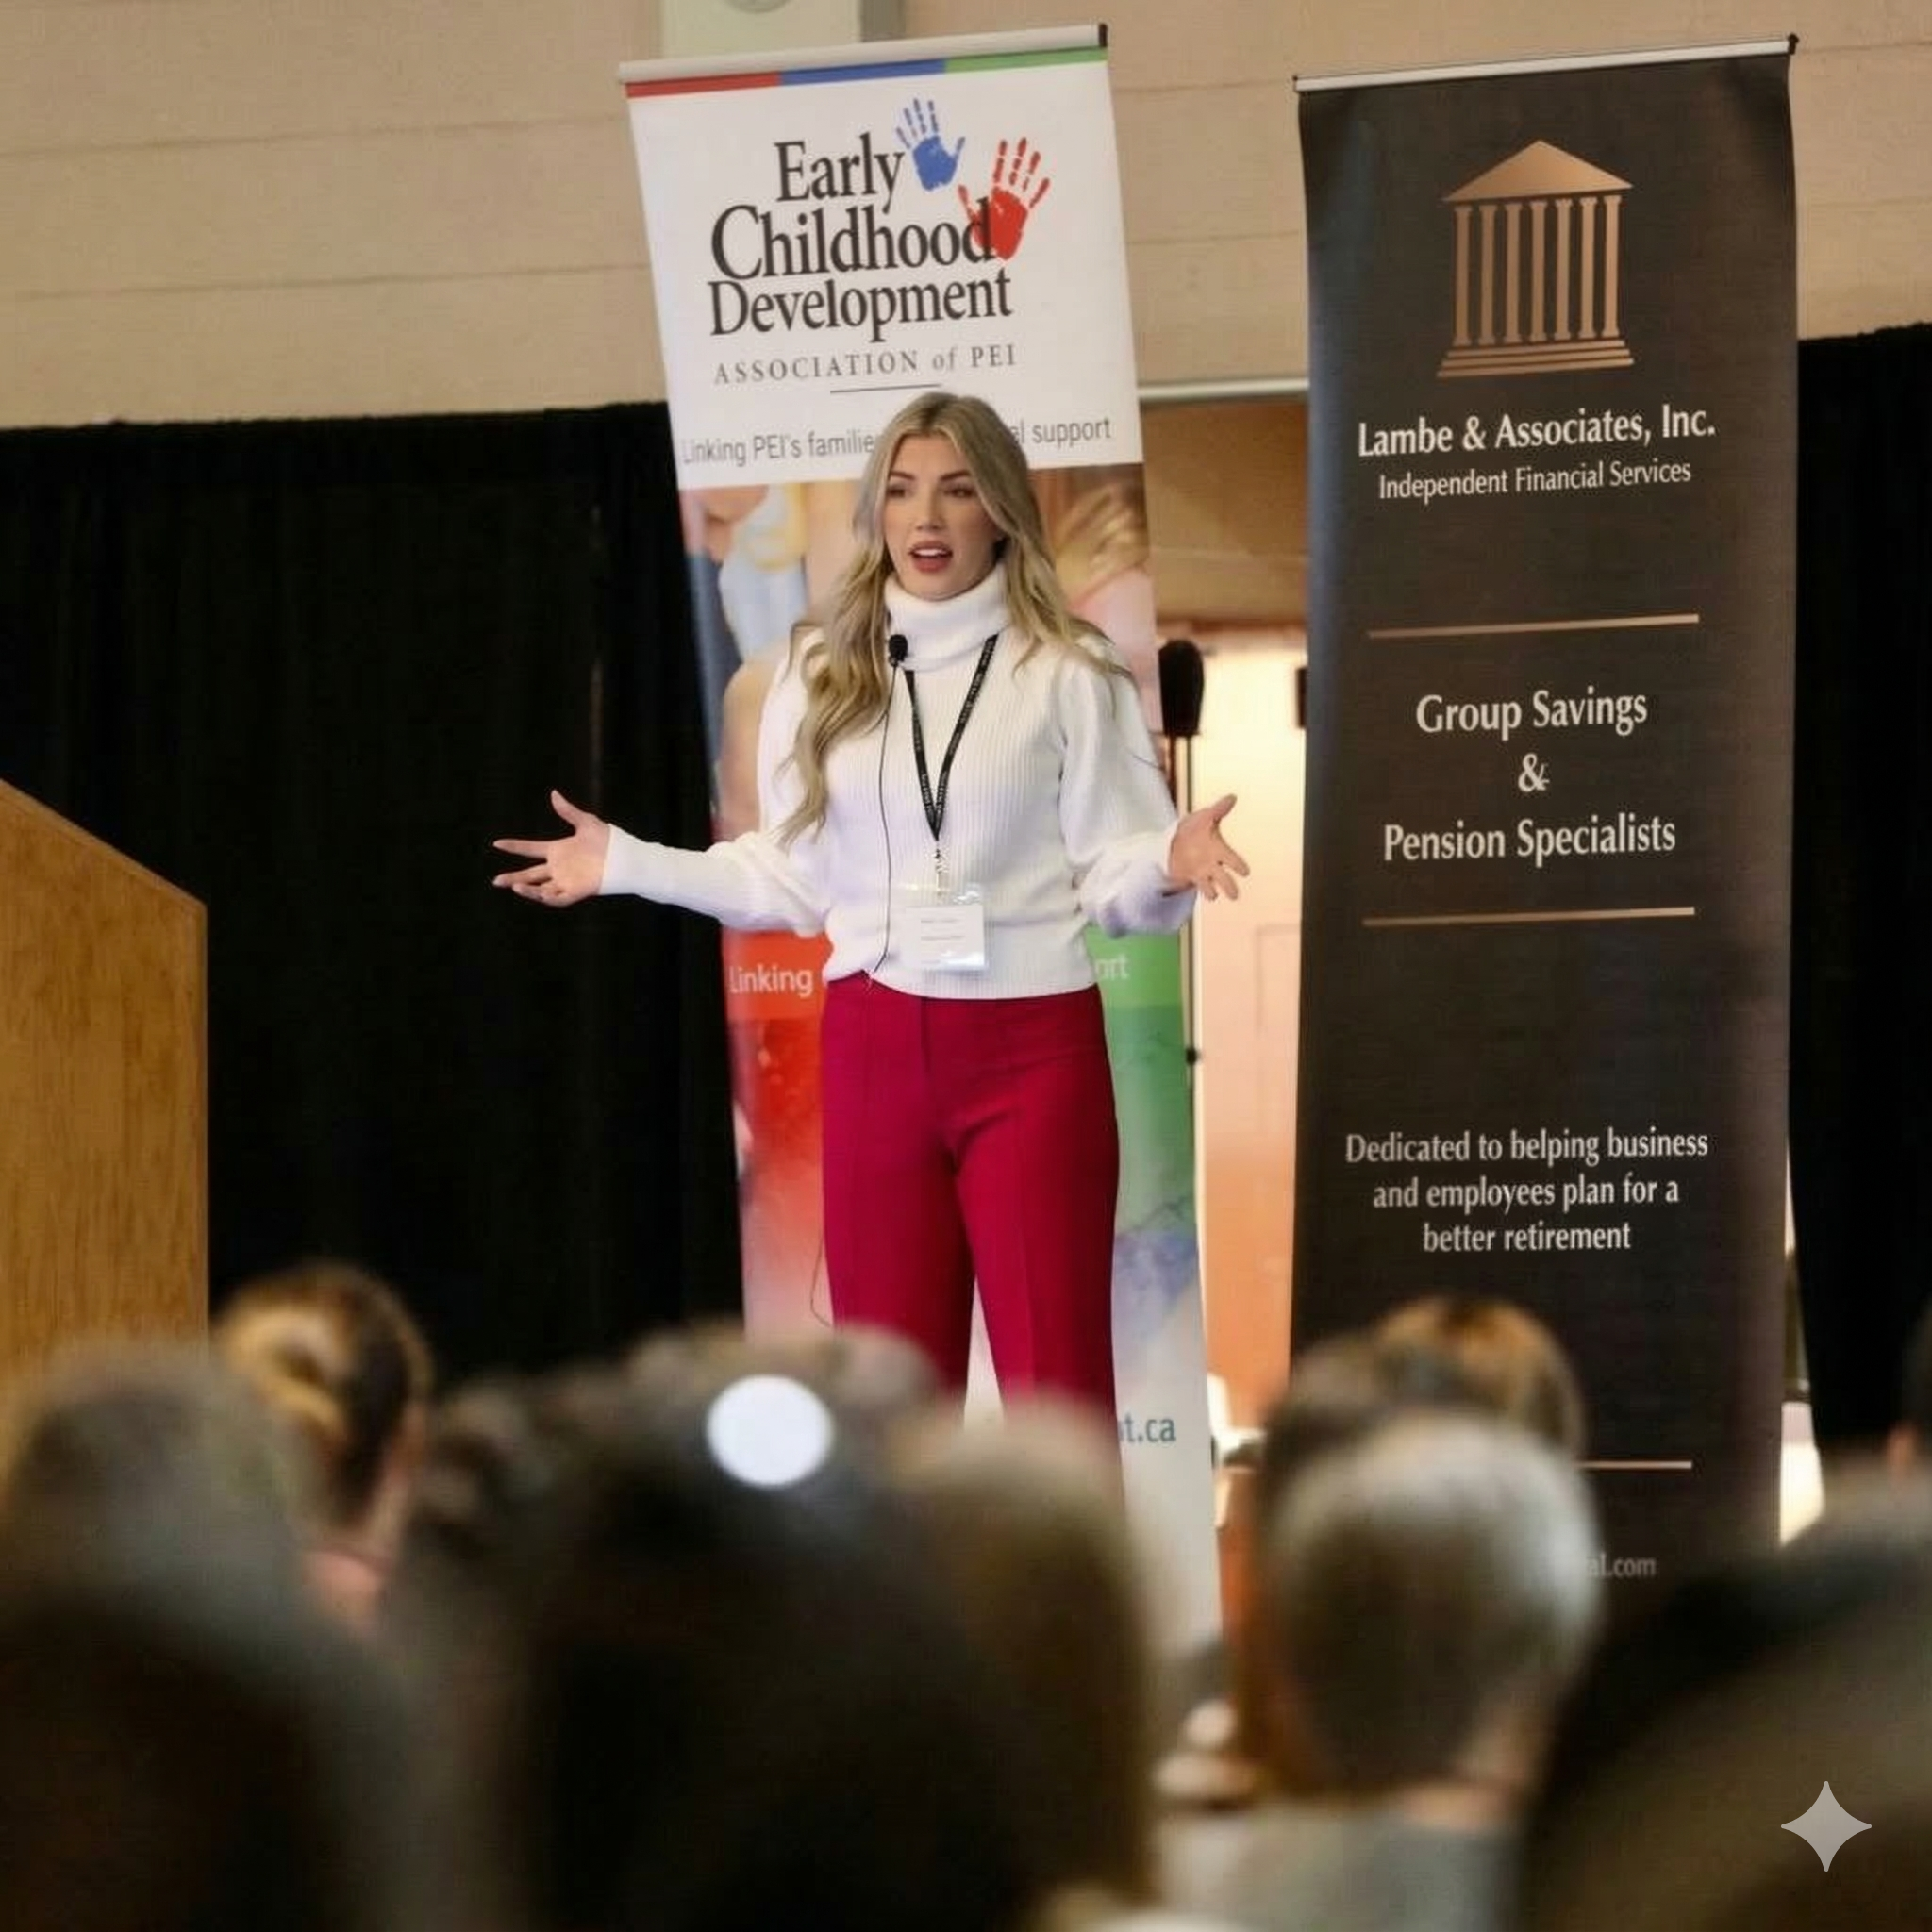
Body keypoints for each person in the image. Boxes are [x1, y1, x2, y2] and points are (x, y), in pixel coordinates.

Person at [494, 391, 1246, 1419]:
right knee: (887, 1401)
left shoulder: (1070, 670)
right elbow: (787, 878)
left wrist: (1166, 856)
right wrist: (627, 861)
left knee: (1056, 1391)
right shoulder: (821, 669)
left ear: (1000, 510)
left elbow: (1113, 870)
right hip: (874, 1049)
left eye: (956, 490)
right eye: (900, 491)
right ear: (875, 510)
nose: (925, 517)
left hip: (1033, 1053)